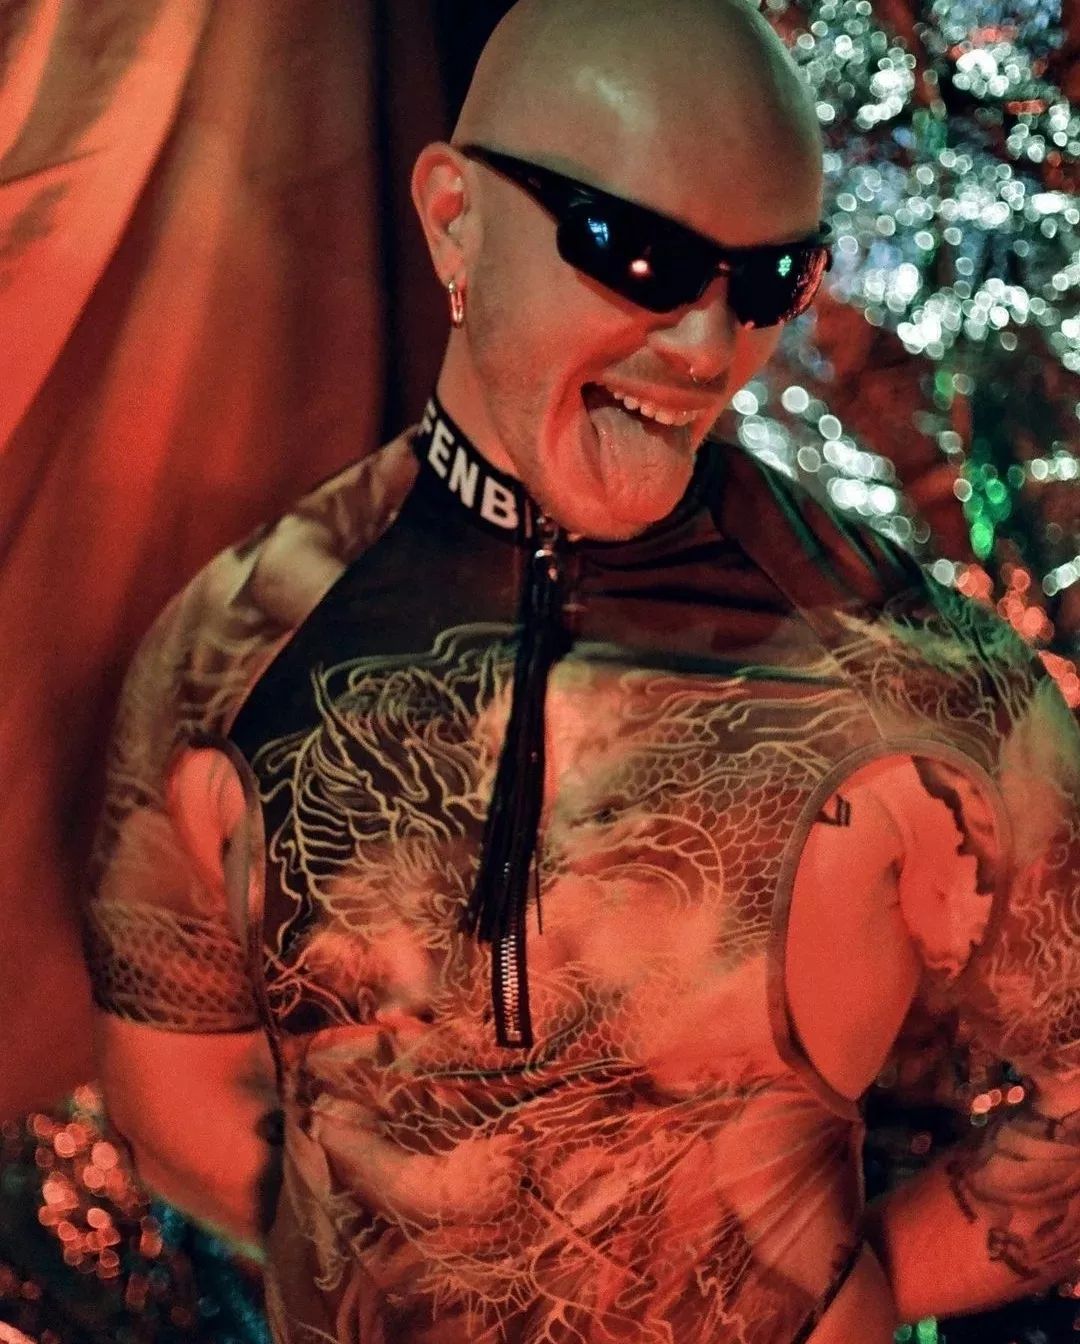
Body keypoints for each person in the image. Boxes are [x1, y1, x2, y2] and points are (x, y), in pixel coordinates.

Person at [83, 1, 1080, 1341]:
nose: (709, 348)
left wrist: (846, 1291)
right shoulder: (234, 650)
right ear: (454, 219)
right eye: (639, 254)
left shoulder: (913, 672)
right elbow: (175, 1097)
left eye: (771, 282)